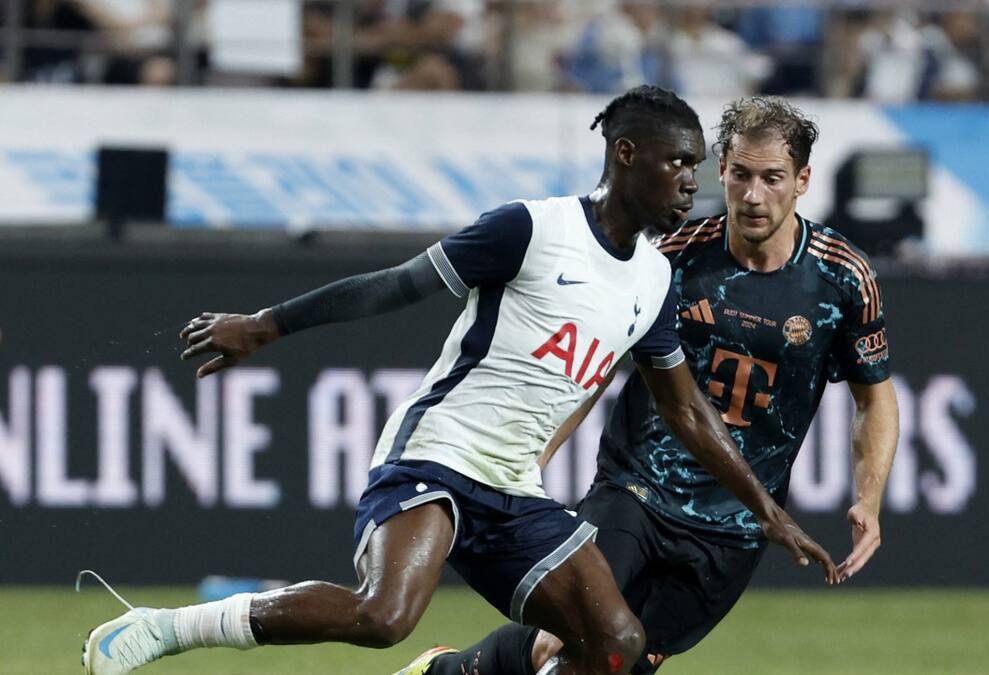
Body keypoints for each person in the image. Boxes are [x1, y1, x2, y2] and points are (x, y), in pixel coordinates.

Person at [80, 86, 837, 675]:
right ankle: (162, 627)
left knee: (616, 642)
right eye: (679, 164)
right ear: (627, 154)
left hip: (515, 486)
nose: (689, 185)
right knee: (384, 616)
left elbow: (686, 411)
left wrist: (766, 510)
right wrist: (265, 323)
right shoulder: (530, 228)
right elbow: (393, 285)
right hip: (438, 454)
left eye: (697, 169)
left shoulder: (652, 279)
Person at [406, 95, 899, 675]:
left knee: (621, 662)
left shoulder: (841, 276)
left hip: (736, 524)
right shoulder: (670, 260)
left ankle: (444, 671)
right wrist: (532, 453)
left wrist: (869, 497)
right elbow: (594, 369)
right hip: (635, 490)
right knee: (568, 638)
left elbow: (874, 395)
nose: (752, 194)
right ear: (721, 171)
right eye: (739, 174)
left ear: (802, 181)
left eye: (772, 178)